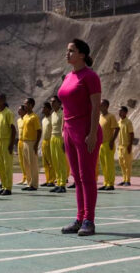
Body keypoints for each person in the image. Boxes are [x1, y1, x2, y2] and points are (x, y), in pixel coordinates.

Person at [57, 38, 103, 237]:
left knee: (87, 177)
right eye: (67, 50)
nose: (67, 54)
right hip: (69, 130)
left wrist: (92, 133)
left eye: (71, 50)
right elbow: (64, 107)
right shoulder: (68, 77)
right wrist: (62, 130)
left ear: (82, 54)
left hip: (85, 131)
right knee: (76, 178)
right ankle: (79, 217)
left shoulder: (90, 77)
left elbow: (95, 107)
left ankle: (89, 221)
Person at [0, 93, 17, 196]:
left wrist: (11, 144)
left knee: (7, 165)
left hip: (6, 141)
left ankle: (8, 188)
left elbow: (13, 129)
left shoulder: (8, 113)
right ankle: (3, 186)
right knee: (0, 166)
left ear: (3, 100)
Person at [20, 98, 42, 191]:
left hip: (32, 142)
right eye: (24, 104)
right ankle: (29, 183)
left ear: (31, 105)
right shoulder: (25, 116)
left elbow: (39, 131)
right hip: (24, 141)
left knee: (33, 164)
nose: (25, 105)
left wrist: (36, 144)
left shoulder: (34, 117)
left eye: (26, 104)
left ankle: (34, 184)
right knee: (27, 164)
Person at [98, 99, 119, 190]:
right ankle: (106, 182)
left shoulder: (111, 116)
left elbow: (117, 128)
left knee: (109, 164)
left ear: (106, 106)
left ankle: (110, 184)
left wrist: (112, 141)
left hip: (108, 144)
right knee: (103, 165)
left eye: (101, 105)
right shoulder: (99, 117)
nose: (99, 106)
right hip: (100, 144)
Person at [50, 96, 70, 193]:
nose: (52, 103)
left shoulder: (63, 113)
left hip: (59, 138)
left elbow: (64, 128)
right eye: (51, 102)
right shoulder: (53, 114)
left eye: (54, 102)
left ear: (59, 103)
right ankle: (58, 182)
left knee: (61, 162)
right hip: (53, 138)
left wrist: (63, 141)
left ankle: (62, 184)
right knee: (55, 161)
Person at [118, 106, 134, 187]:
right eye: (119, 111)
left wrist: (130, 145)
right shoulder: (119, 122)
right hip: (120, 146)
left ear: (125, 112)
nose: (119, 113)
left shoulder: (128, 122)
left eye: (121, 111)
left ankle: (128, 180)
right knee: (122, 164)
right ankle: (124, 179)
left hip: (126, 146)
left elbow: (131, 134)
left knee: (127, 164)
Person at [40, 102, 56, 187]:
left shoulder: (52, 118)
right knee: (45, 162)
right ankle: (47, 179)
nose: (42, 109)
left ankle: (52, 180)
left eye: (44, 107)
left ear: (48, 109)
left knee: (51, 162)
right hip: (44, 141)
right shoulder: (43, 119)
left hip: (50, 141)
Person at [16, 105, 27, 186]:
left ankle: (28, 178)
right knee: (21, 161)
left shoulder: (27, 118)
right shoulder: (19, 120)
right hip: (20, 141)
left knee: (27, 161)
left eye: (20, 110)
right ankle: (24, 177)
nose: (18, 111)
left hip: (26, 141)